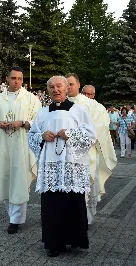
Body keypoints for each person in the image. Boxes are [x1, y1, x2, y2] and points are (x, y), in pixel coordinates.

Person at [28, 75, 96, 257]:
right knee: (52, 205)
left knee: (72, 202)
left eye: (59, 86)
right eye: (51, 87)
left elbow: (90, 135)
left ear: (67, 88)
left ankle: (74, 239)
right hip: (50, 166)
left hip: (71, 167)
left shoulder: (79, 110)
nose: (55, 90)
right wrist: (42, 136)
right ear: (48, 90)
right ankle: (53, 243)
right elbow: (31, 136)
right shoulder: (42, 112)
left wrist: (70, 134)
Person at [0, 66, 42, 234]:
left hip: (22, 146)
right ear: (7, 79)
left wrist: (23, 123)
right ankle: (11, 215)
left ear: (22, 80)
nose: (16, 81)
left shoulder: (31, 99)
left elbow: (39, 122)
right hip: (3, 145)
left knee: (19, 180)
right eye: (13, 78)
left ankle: (16, 220)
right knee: (5, 178)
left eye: (19, 79)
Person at [66, 73, 117, 224]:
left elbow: (100, 127)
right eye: (66, 84)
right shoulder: (59, 103)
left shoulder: (93, 106)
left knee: (87, 186)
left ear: (78, 85)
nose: (68, 87)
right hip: (65, 154)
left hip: (87, 153)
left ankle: (85, 219)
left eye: (71, 84)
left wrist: (74, 135)